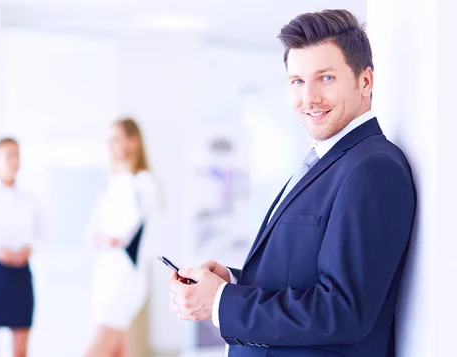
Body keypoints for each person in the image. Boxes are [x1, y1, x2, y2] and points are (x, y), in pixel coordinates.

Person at [168, 9, 417, 357]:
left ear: (365, 81)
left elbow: (343, 311)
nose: (308, 98)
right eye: (297, 81)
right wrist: (234, 284)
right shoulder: (327, 161)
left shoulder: (372, 169)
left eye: (325, 78)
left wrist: (221, 303)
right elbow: (301, 277)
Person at [83, 118, 160, 357]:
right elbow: (91, 235)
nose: (110, 146)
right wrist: (103, 239)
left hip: (125, 278)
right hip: (105, 277)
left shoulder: (143, 184)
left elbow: (125, 235)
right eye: (108, 141)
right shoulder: (112, 185)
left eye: (116, 139)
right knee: (117, 351)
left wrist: (106, 239)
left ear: (133, 141)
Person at [0, 138, 42, 357]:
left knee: (20, 350)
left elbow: (40, 235)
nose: (13, 160)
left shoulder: (29, 198)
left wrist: (27, 249)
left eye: (17, 155)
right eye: (8, 155)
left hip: (20, 275)